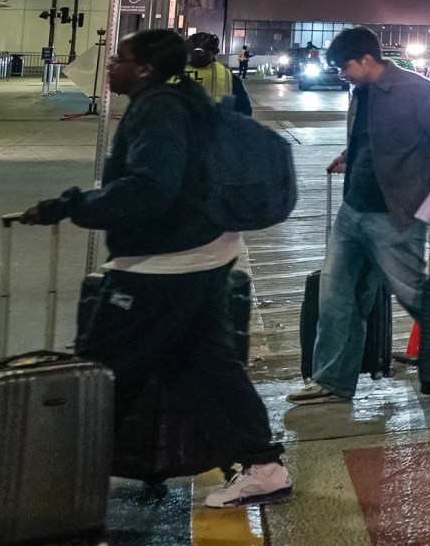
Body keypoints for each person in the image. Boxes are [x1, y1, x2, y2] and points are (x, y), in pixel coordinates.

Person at [22, 29, 290, 508]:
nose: (110, 66)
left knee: (104, 367)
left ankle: (62, 486)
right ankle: (264, 467)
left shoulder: (158, 110)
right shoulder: (181, 101)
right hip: (205, 252)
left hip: (165, 264)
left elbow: (150, 189)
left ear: (145, 69)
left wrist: (70, 206)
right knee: (203, 365)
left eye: (120, 59)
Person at [287, 27, 430, 409]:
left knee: (413, 293)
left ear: (367, 59)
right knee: (337, 296)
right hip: (353, 209)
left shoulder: (415, 89)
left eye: (344, 66)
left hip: (395, 213)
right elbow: (372, 140)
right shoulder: (360, 91)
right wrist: (350, 157)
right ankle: (331, 381)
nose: (341, 74)